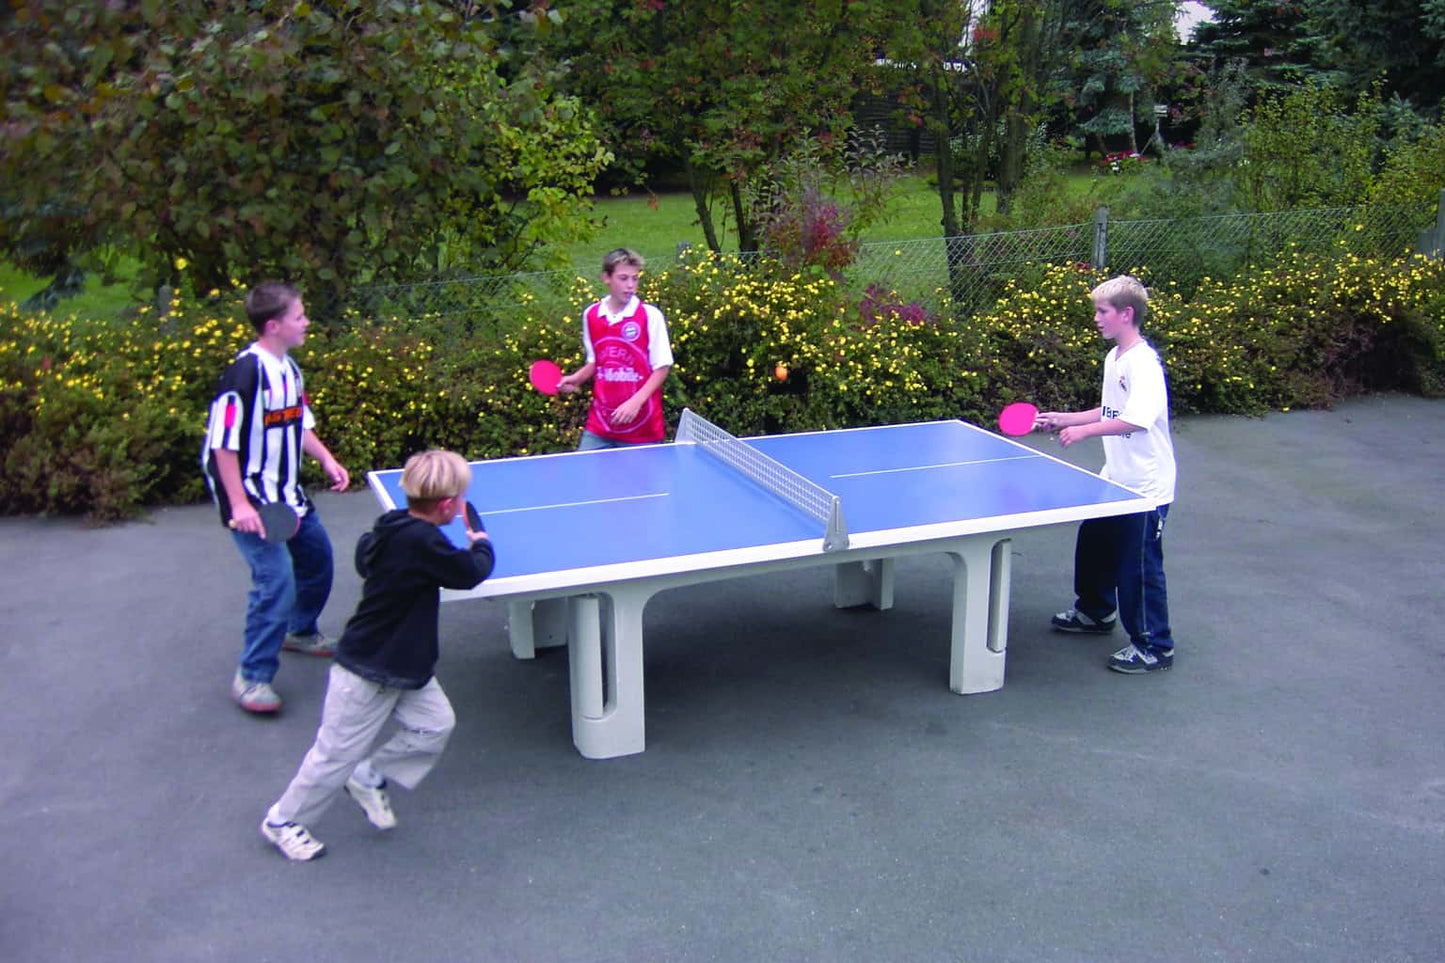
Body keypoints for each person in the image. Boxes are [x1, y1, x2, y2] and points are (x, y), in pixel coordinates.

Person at [260, 449, 496, 861]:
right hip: (367, 669)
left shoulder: (393, 526)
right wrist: (480, 543)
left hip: (406, 664)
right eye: (458, 499)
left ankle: (369, 775)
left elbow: (365, 554)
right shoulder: (422, 542)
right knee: (333, 755)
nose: (460, 505)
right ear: (446, 506)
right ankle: (283, 821)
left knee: (435, 725)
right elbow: (470, 572)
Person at [202, 281, 350, 714]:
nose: (306, 322)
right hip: (249, 498)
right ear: (274, 325)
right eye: (299, 317)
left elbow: (298, 423)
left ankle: (300, 631)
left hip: (288, 494)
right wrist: (241, 506)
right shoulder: (244, 374)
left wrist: (326, 458)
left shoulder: (289, 369)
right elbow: (221, 445)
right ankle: (252, 676)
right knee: (275, 581)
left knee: (318, 559)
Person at [1035, 275, 1178, 674]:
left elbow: (1136, 420)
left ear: (1126, 314)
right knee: (1095, 545)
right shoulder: (1114, 358)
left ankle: (1154, 646)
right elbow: (1110, 411)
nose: (1096, 318)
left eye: (1102, 311)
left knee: (1138, 567)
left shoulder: (1143, 364)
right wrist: (1065, 418)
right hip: (1115, 478)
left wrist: (1082, 432)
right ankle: (1096, 612)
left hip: (1145, 488)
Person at [556, 247, 673, 449]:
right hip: (600, 426)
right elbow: (596, 361)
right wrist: (577, 378)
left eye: (635, 279)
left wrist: (635, 403)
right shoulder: (591, 315)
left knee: (639, 482)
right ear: (606, 278)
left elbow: (662, 368)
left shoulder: (649, 316)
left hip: (643, 430)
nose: (630, 285)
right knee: (586, 479)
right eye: (623, 278)